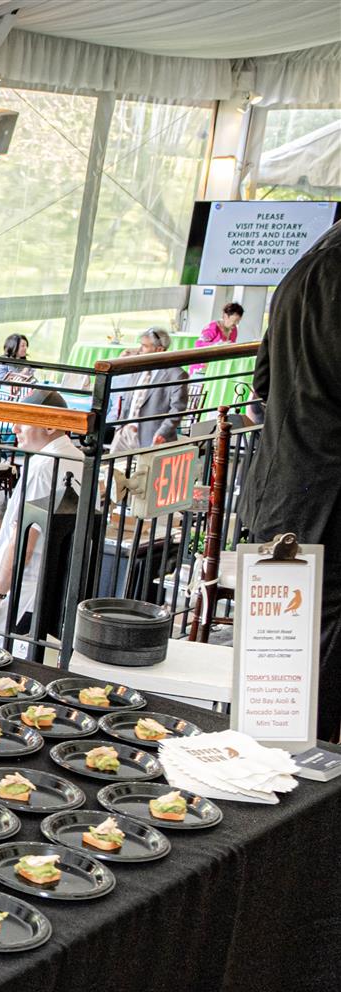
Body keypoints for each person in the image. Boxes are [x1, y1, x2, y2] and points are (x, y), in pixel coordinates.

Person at [248, 220, 341, 738]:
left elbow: (263, 380)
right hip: (329, 494)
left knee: (277, 651)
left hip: (278, 486)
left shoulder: (304, 266)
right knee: (322, 646)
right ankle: (310, 769)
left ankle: (272, 760)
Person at [0, 390, 85, 653]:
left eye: (24, 421)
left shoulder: (43, 467)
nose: (14, 428)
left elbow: (24, 541)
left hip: (23, 588)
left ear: (49, 426)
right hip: (54, 586)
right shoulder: (80, 459)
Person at [112, 327, 187, 451]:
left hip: (153, 438)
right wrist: (120, 426)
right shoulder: (138, 367)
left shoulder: (176, 374)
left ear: (159, 349)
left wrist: (163, 433)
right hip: (124, 434)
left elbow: (178, 409)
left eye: (145, 346)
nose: (140, 350)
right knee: (110, 463)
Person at [191, 301, 243, 375]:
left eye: (238, 321)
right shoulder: (213, 327)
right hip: (202, 367)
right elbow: (199, 344)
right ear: (225, 316)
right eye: (234, 321)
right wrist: (217, 345)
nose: (236, 324)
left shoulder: (234, 330)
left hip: (217, 368)